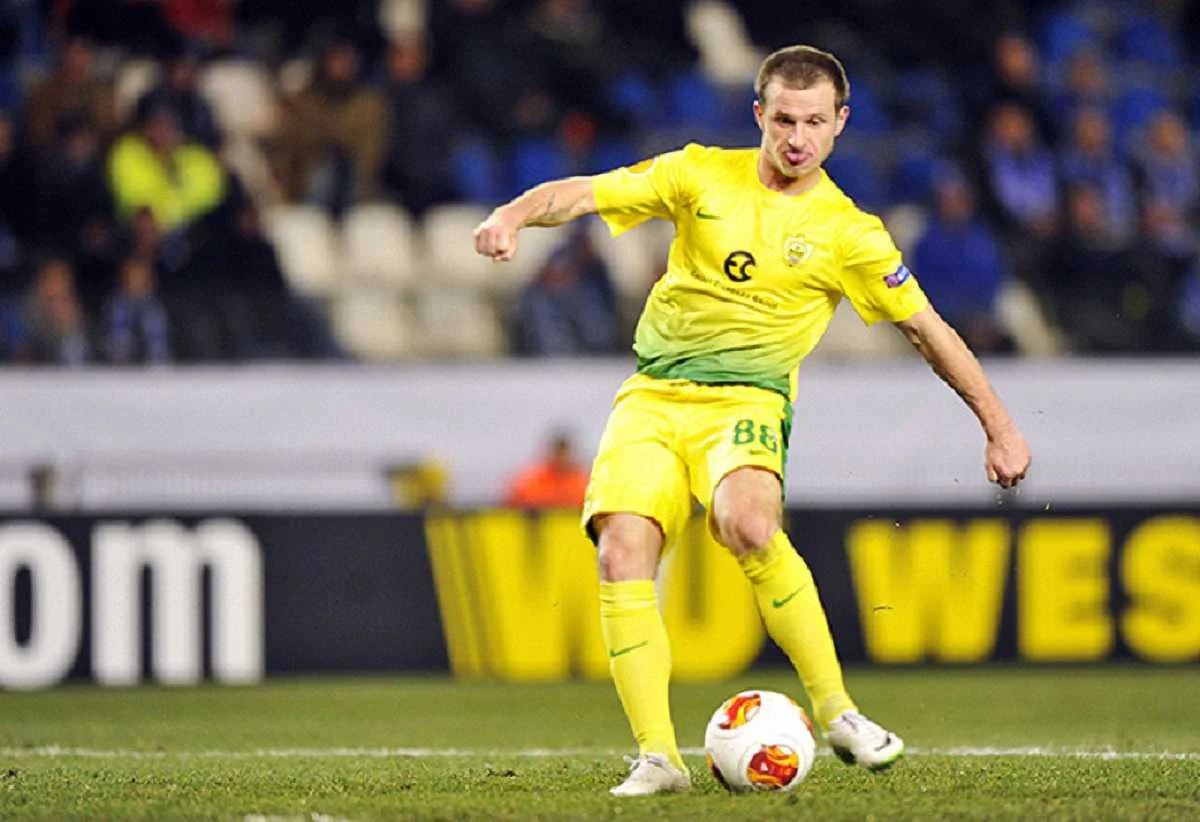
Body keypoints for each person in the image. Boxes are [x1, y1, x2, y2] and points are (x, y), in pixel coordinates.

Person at [473, 45, 1031, 796]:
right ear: (759, 114)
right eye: (784, 120)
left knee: (749, 522)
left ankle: (838, 713)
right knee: (621, 551)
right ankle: (659, 760)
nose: (797, 138)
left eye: (814, 122)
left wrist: (999, 427)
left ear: (841, 122)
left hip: (748, 399)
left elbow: (928, 331)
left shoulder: (850, 233)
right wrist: (511, 214)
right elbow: (585, 194)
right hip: (654, 394)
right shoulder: (700, 173)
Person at [503, 430, 591, 509]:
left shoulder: (583, 483)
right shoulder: (531, 482)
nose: (561, 457)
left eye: (564, 452)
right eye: (558, 451)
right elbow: (512, 502)